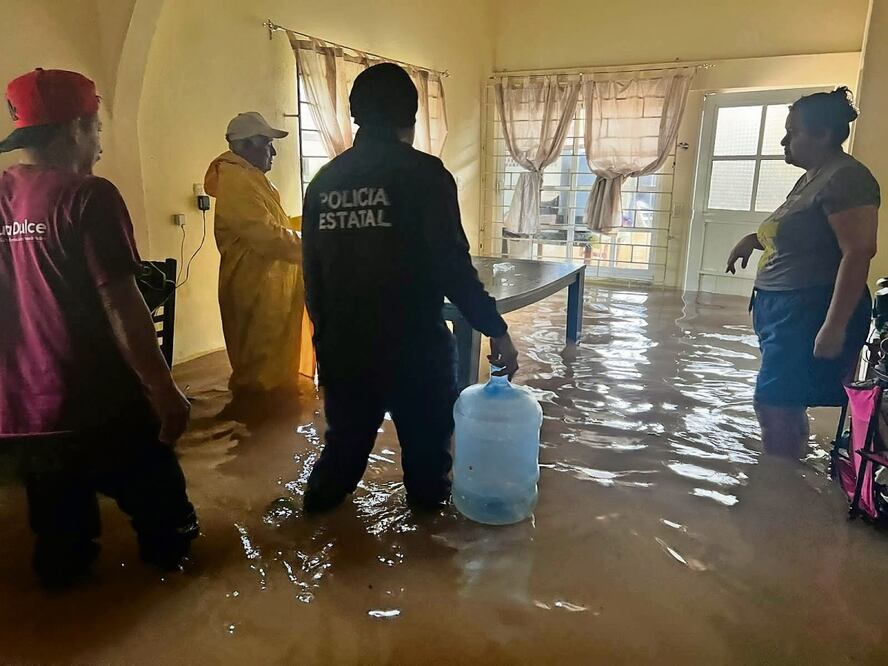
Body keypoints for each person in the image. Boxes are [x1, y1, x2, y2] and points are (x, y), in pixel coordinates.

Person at [0, 69, 197, 585]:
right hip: (98, 400)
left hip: (23, 413)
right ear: (74, 130)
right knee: (166, 521)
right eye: (98, 128)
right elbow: (123, 306)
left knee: (61, 544)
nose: (102, 143)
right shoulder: (89, 196)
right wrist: (165, 391)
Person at [301, 63, 520, 512]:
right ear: (412, 117)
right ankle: (431, 563)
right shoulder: (425, 175)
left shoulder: (325, 182)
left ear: (355, 115)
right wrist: (495, 329)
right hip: (413, 347)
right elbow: (452, 267)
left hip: (344, 346)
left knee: (343, 452)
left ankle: (311, 524)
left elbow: (314, 274)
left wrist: (325, 342)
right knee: (426, 464)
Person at [726, 87, 880, 458]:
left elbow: (858, 251)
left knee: (773, 401)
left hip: (808, 311)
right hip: (786, 312)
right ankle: (791, 466)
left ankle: (780, 490)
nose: (784, 140)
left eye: (792, 132)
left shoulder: (845, 178)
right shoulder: (814, 176)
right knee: (784, 399)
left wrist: (834, 326)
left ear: (823, 134)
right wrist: (753, 239)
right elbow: (804, 233)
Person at [204, 112, 315, 401]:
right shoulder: (237, 181)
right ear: (246, 146)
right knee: (259, 373)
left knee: (273, 368)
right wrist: (315, 244)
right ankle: (253, 427)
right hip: (254, 289)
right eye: (267, 144)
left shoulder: (249, 179)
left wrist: (314, 223)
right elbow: (266, 236)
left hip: (267, 289)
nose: (274, 152)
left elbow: (275, 224)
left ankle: (268, 419)